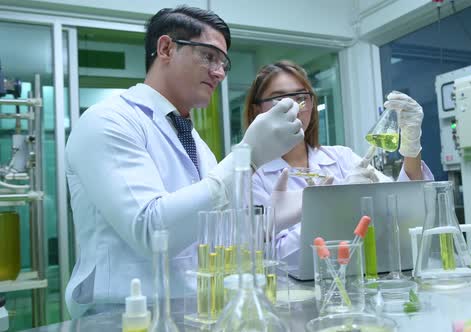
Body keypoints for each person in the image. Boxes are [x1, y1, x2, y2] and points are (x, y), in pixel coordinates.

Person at [64, 7, 304, 318]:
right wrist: (248, 157)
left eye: (223, 63)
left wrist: (268, 221)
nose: (219, 72)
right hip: (121, 316)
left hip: (190, 312)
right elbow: (152, 231)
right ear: (166, 48)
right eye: (209, 56)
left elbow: (203, 236)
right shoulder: (108, 121)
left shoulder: (197, 145)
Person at [242, 60, 434, 266]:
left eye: (301, 98)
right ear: (256, 111)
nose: (294, 109)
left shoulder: (342, 158)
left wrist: (411, 148)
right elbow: (275, 258)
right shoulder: (252, 177)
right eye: (280, 100)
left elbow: (403, 208)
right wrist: (339, 207)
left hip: (358, 280)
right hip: (295, 293)